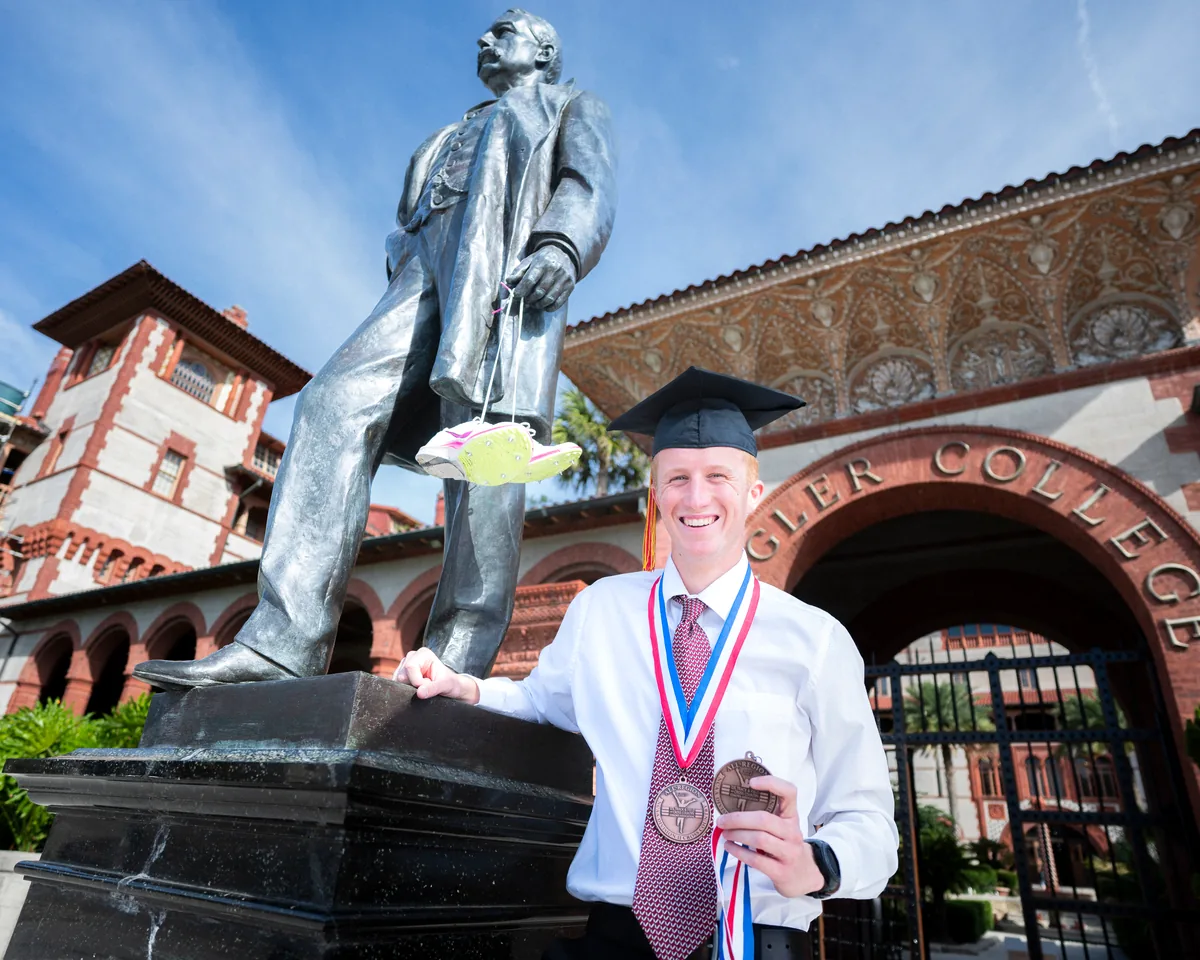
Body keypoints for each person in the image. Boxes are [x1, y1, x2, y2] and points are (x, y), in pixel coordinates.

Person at [133, 9, 616, 690]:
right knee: (330, 403)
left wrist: (561, 244)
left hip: (505, 283)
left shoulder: (569, 104)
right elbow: (407, 218)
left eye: (502, 31)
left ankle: (453, 664)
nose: (484, 39)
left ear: (543, 52)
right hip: (423, 276)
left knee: (486, 459)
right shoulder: (445, 134)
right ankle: (281, 644)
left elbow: (586, 185)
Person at [396, 367, 899, 960]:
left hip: (754, 937)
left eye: (718, 476)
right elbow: (539, 702)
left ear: (754, 494)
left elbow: (868, 819)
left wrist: (815, 864)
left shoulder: (814, 639)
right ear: (656, 496)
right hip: (614, 938)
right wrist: (465, 687)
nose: (697, 497)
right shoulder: (601, 612)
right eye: (677, 478)